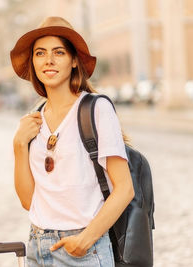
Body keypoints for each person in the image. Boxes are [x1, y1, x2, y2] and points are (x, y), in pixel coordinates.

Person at [11, 17, 135, 267]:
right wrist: (18, 146)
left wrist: (85, 239)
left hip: (84, 248)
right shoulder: (33, 121)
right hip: (37, 246)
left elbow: (124, 189)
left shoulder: (96, 109)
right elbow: (28, 201)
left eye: (58, 52)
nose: (48, 60)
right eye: (40, 53)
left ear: (74, 61)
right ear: (33, 62)